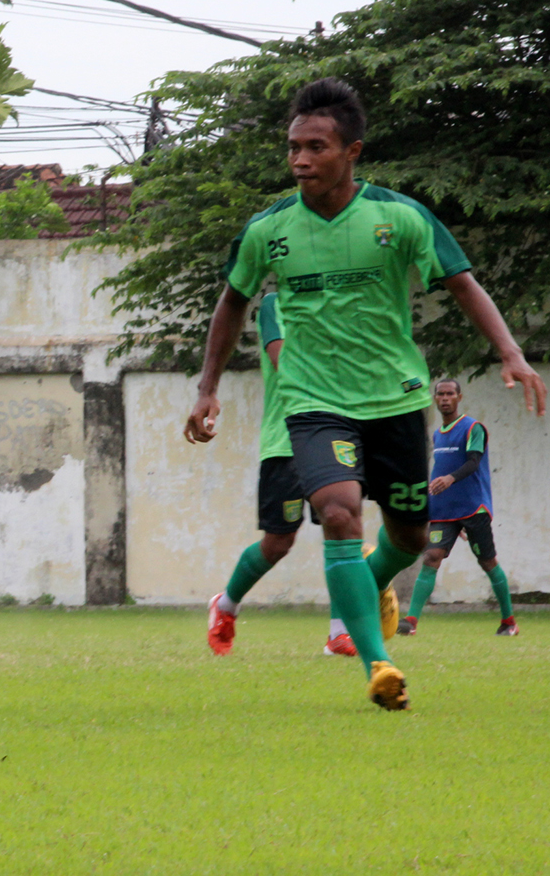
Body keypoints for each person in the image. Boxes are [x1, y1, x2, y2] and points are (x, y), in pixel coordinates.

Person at [186, 78, 544, 711]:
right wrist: (207, 387)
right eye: (293, 147)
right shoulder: (269, 228)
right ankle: (377, 663)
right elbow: (233, 302)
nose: (300, 160)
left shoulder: (399, 217)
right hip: (314, 404)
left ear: (351, 151)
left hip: (397, 402)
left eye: (315, 147)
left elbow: (463, 284)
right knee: (339, 513)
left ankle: (362, 588)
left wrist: (511, 353)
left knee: (407, 539)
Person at [205, 293, 359, 658]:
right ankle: (225, 605)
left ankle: (339, 633)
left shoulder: (341, 303)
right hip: (285, 441)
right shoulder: (275, 304)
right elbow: (282, 359)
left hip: (334, 435)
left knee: (340, 527)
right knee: (278, 543)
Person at [398, 379, 517, 636]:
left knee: (487, 562)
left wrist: (450, 479)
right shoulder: (437, 434)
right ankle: (411, 622)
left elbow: (474, 462)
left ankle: (509, 621)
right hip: (444, 511)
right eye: (440, 394)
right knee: (431, 558)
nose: (444, 398)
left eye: (450, 394)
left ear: (459, 397)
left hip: (473, 508)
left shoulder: (473, 427)